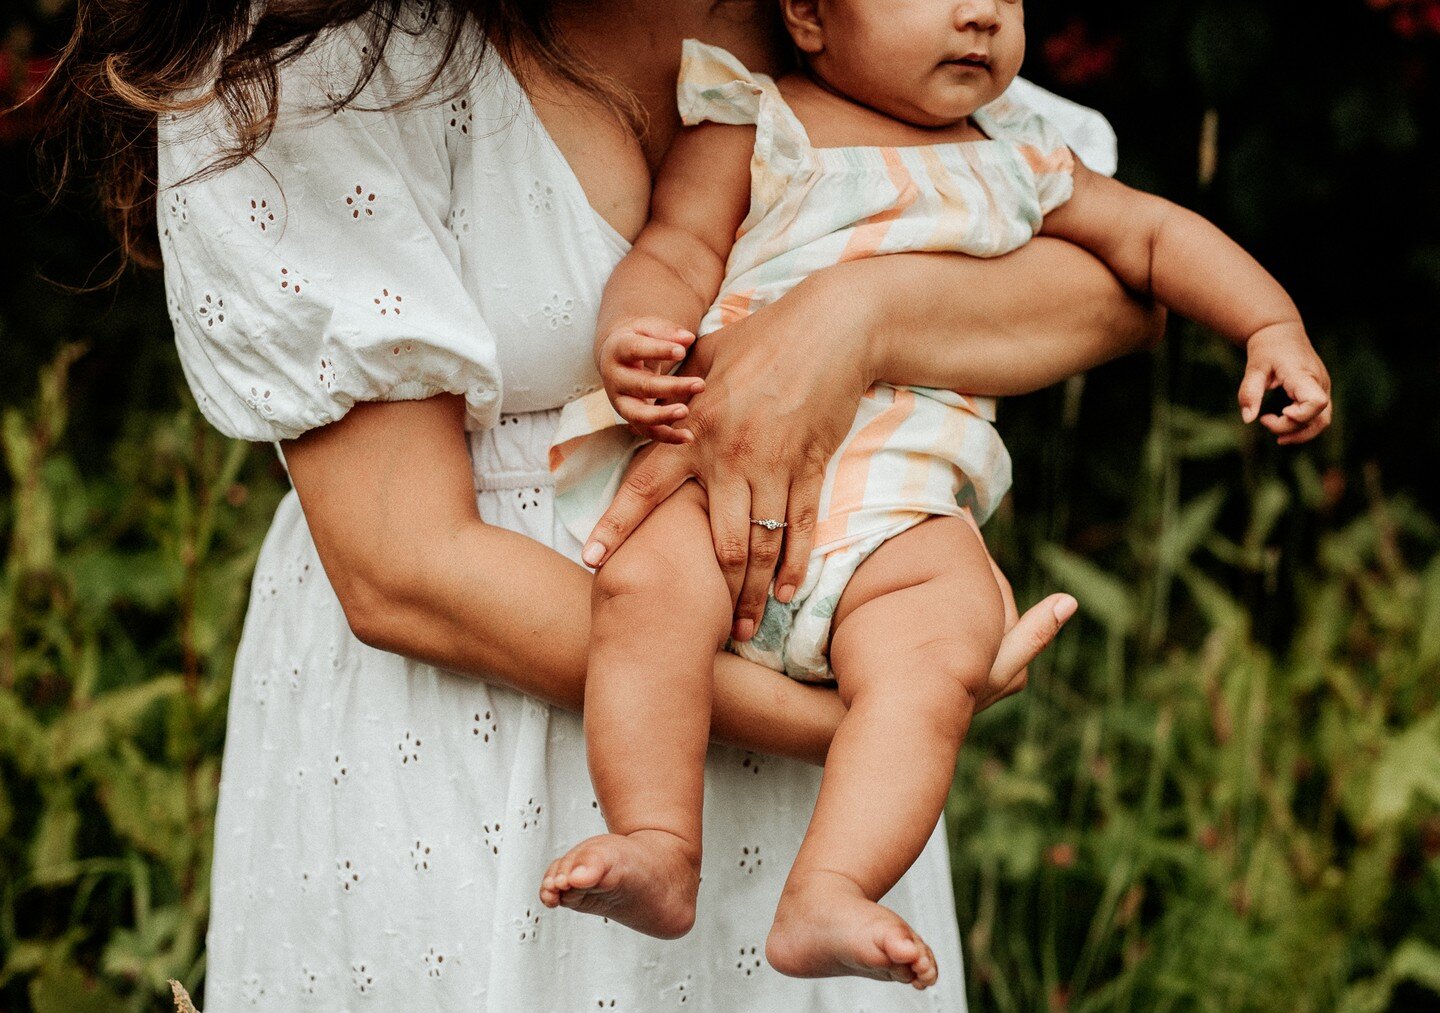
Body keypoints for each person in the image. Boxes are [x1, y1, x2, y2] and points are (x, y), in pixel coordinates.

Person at [51, 1, 1172, 1008]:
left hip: (829, 789)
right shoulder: (296, 54)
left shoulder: (854, 22)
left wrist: (859, 317)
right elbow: (404, 568)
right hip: (469, 743)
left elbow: (1120, 276)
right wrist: (880, 716)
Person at [541, 0, 1332, 992]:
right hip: (727, 484)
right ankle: (657, 836)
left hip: (901, 504)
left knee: (941, 648)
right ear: (809, 16)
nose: (978, 14)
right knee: (644, 590)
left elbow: (1156, 240)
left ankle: (829, 887)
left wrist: (1270, 325)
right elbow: (675, 250)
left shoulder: (1021, 153)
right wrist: (641, 332)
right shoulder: (756, 120)